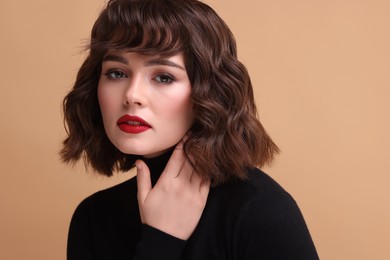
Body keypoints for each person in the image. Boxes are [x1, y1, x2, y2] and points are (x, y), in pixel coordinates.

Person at [61, 0, 319, 259]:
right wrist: (160, 241)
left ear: (208, 92)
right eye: (117, 73)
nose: (132, 95)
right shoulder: (94, 218)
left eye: (164, 77)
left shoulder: (260, 211)